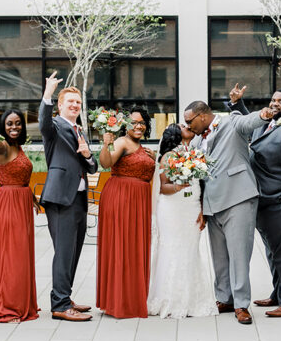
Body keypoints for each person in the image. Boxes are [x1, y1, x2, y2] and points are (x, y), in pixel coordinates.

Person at [225, 84, 281, 318]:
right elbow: (249, 121)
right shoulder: (267, 122)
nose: (275, 104)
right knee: (272, 251)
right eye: (273, 100)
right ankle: (278, 293)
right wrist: (236, 104)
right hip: (262, 198)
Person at [184, 99, 275, 325]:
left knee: (239, 255)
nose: (187, 126)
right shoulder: (196, 141)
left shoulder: (230, 122)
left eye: (189, 121)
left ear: (203, 116)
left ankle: (241, 304)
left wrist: (263, 115)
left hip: (238, 198)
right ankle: (224, 298)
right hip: (212, 204)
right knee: (219, 256)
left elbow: (248, 122)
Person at [39, 72, 98, 322]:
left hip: (79, 200)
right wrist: (48, 94)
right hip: (61, 198)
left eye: (78, 103)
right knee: (63, 253)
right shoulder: (55, 127)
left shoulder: (79, 130)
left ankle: (66, 296)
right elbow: (42, 122)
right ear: (61, 105)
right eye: (70, 102)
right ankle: (59, 305)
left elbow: (93, 167)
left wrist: (86, 154)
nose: (74, 105)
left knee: (73, 252)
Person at [147, 123, 216, 318]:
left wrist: (202, 209)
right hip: (172, 209)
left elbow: (202, 183)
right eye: (183, 126)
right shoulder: (168, 156)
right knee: (172, 248)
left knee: (190, 249)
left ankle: (191, 298)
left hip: (192, 206)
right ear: (176, 134)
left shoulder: (195, 151)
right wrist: (180, 186)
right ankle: (170, 299)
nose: (188, 126)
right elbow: (163, 187)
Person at [97, 107, 156, 319]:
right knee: (121, 247)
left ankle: (132, 298)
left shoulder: (143, 147)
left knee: (134, 248)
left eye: (142, 122)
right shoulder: (121, 142)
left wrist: (155, 159)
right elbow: (106, 163)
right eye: (134, 122)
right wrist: (105, 143)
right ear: (126, 125)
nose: (138, 126)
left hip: (139, 201)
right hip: (121, 199)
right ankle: (119, 301)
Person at [0, 109, 39, 323]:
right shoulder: (4, 146)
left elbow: (21, 174)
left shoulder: (18, 146)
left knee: (21, 254)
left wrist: (33, 197)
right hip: (8, 203)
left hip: (22, 202)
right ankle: (9, 305)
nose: (14, 127)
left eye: (17, 123)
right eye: (9, 124)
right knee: (11, 255)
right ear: (2, 127)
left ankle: (20, 300)